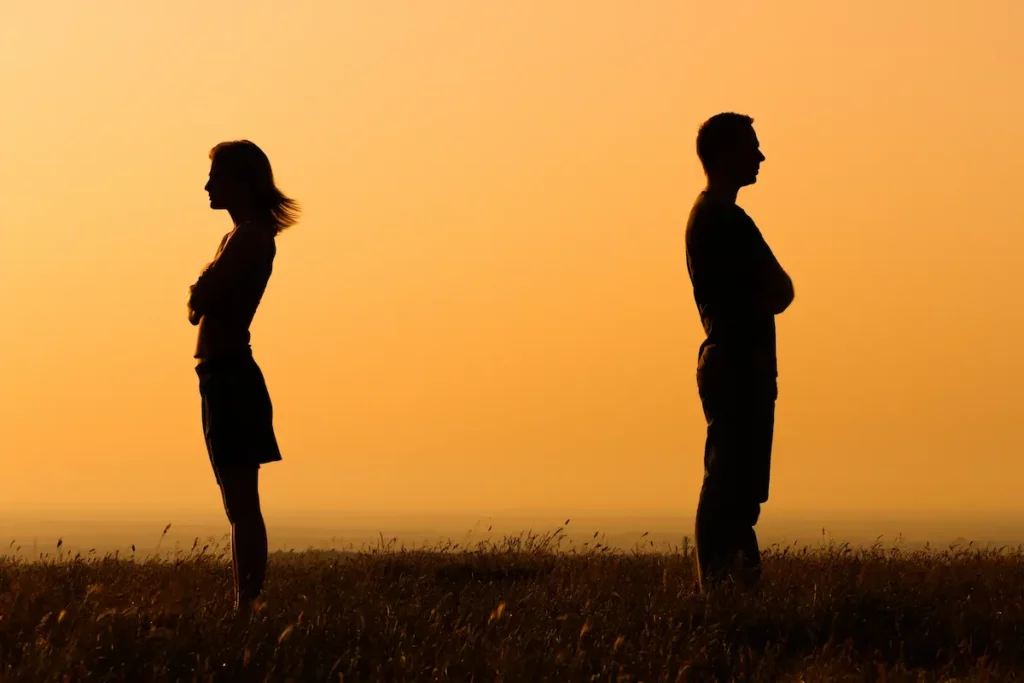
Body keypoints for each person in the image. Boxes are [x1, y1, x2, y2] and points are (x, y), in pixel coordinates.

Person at [187, 140, 299, 614]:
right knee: (238, 503)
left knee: (241, 505)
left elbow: (201, 298)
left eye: (217, 176)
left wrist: (199, 289)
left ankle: (245, 607)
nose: (208, 186)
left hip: (231, 375)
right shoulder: (240, 236)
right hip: (221, 374)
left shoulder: (249, 237)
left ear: (240, 181)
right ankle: (243, 605)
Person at [684, 113, 794, 589]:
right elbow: (781, 290)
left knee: (738, 487)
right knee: (731, 484)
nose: (761, 156)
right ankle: (722, 589)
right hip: (737, 366)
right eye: (752, 147)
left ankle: (735, 587)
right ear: (727, 155)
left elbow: (777, 290)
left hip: (735, 363)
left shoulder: (712, 216)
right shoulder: (724, 219)